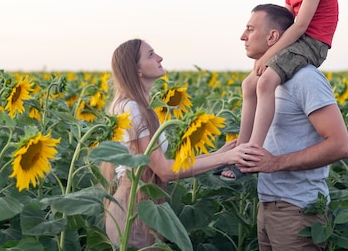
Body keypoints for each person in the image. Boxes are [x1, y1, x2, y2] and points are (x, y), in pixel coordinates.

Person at [102, 38, 260, 250]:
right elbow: (165, 171)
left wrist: (217, 155)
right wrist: (226, 158)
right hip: (132, 209)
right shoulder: (131, 108)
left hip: (145, 203)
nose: (160, 58)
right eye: (150, 55)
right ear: (136, 69)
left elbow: (166, 164)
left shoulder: (140, 106)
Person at [225, 4, 348, 250]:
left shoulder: (305, 78)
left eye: (250, 29)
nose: (243, 36)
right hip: (268, 204)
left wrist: (275, 163)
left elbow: (340, 145)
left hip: (298, 210)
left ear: (273, 37)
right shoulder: (265, 82)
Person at [229, 0, 339, 179]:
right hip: (297, 39)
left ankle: (252, 154)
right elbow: (284, 24)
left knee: (266, 81)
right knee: (250, 83)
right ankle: (240, 148)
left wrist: (268, 57)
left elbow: (299, 25)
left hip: (312, 42)